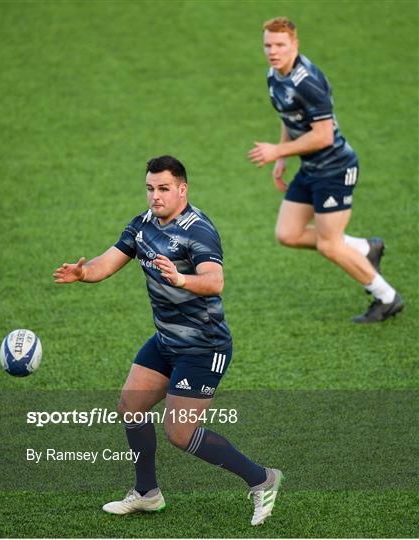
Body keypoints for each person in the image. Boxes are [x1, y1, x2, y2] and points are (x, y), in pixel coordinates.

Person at [53, 155, 283, 526]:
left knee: (179, 431)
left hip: (204, 347)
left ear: (182, 189)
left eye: (163, 189)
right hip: (166, 341)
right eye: (149, 189)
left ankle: (262, 479)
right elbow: (107, 262)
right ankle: (147, 493)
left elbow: (214, 281)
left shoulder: (199, 230)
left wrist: (181, 280)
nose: (154, 196)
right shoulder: (142, 225)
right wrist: (83, 273)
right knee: (130, 406)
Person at [248, 17, 403, 323]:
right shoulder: (274, 74)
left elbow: (323, 136)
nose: (272, 51)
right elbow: (287, 115)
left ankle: (387, 297)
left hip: (335, 168)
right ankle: (365, 247)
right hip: (310, 166)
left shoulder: (307, 82)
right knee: (288, 234)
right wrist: (283, 158)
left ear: (295, 44)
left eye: (280, 45)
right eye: (268, 45)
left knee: (329, 244)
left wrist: (277, 150)